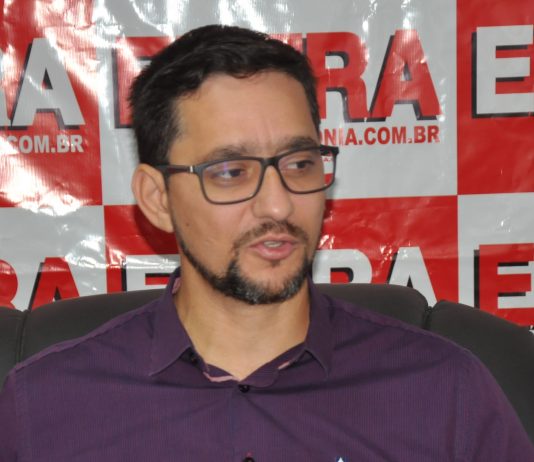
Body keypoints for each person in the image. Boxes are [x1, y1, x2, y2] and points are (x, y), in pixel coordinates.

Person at [0, 25, 533, 461]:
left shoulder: (444, 393)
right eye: (231, 172)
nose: (278, 206)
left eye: (299, 164)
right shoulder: (44, 407)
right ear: (157, 198)